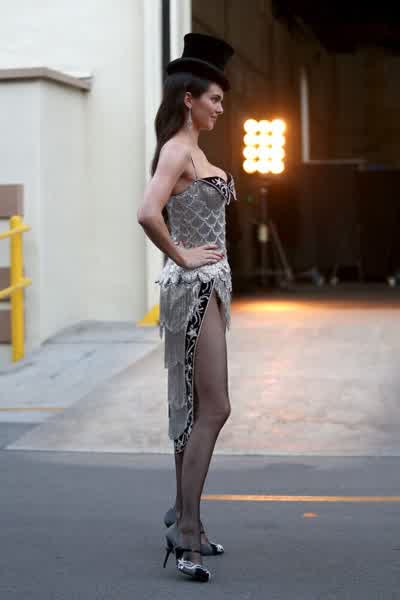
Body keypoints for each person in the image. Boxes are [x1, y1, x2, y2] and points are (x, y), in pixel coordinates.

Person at [137, 32, 236, 583]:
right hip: (195, 289)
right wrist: (182, 254)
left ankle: (184, 514)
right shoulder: (178, 150)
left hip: (207, 287)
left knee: (196, 409)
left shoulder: (194, 150)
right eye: (214, 99)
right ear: (189, 98)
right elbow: (147, 211)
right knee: (215, 408)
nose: (220, 108)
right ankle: (187, 530)